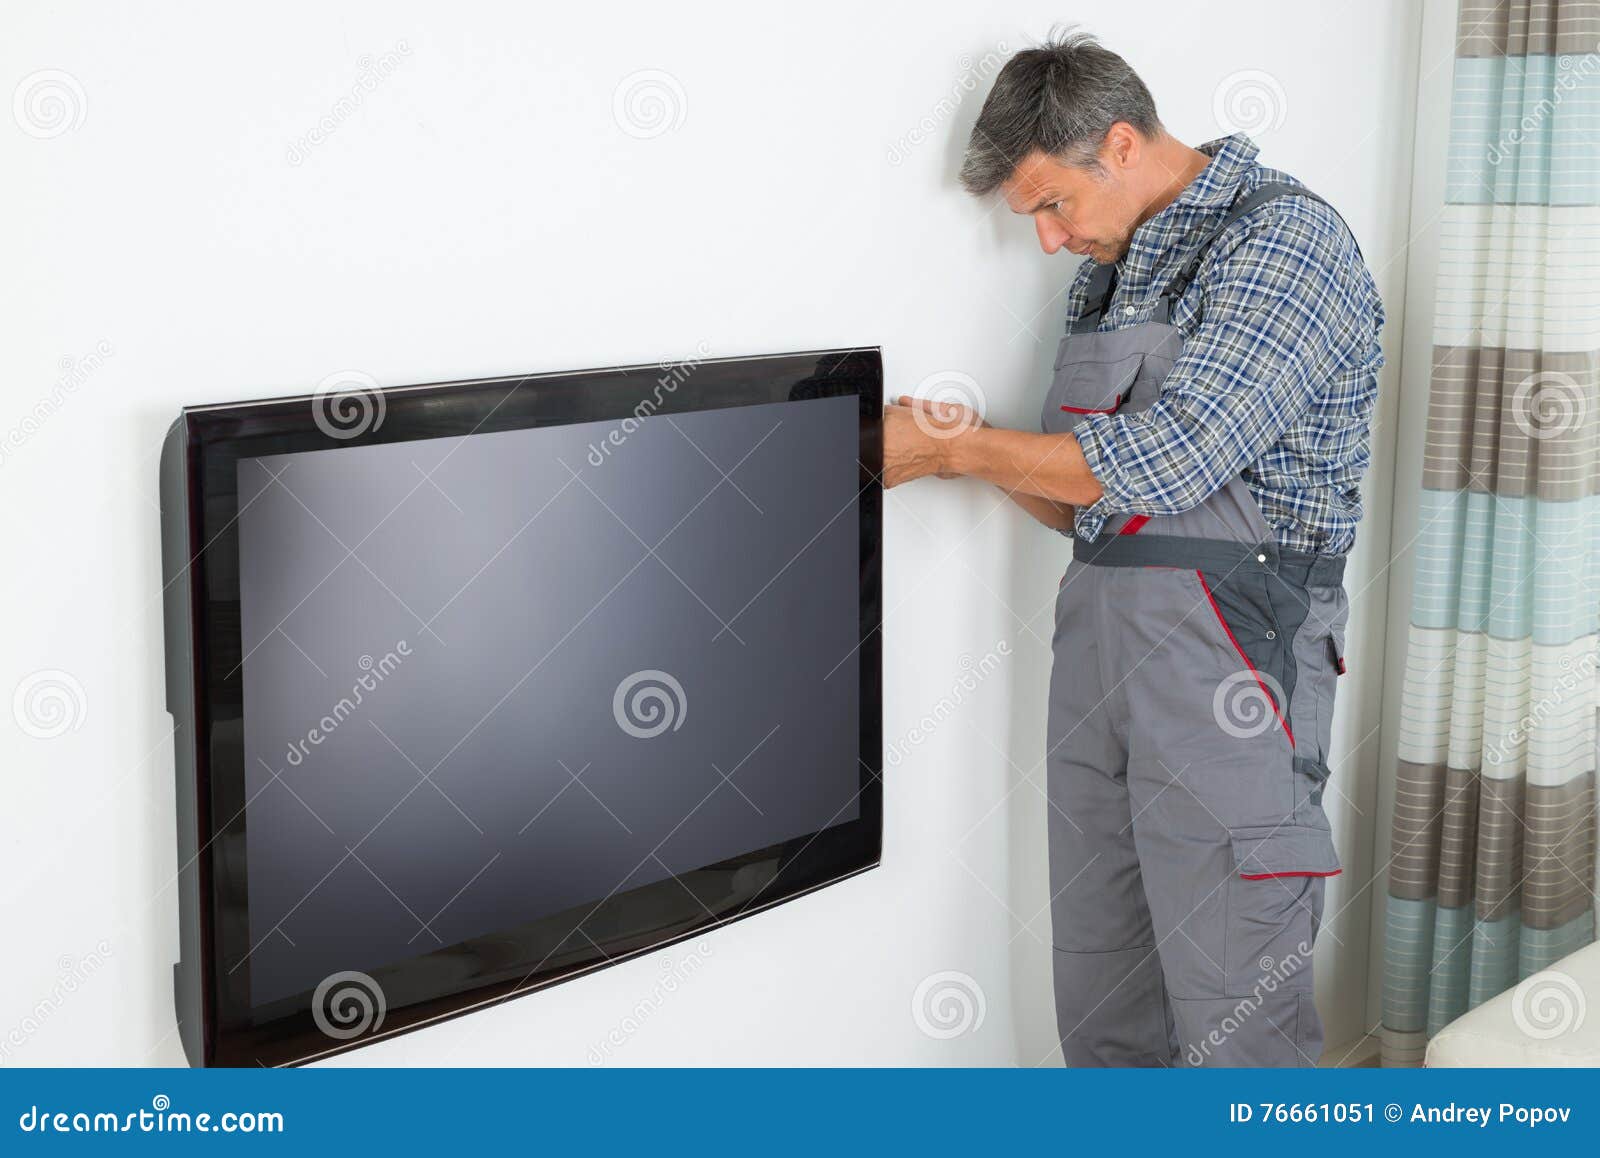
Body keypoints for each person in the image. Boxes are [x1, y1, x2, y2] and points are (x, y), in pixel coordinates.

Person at [883, 31, 1384, 1067]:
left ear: (1118, 143)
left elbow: (1174, 458)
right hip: (1099, 670)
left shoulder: (1283, 244)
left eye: (1052, 205)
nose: (1048, 241)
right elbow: (1095, 511)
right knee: (1102, 996)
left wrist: (959, 449)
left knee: (1238, 1014)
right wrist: (959, 451)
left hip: (1231, 673)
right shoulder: (1110, 276)